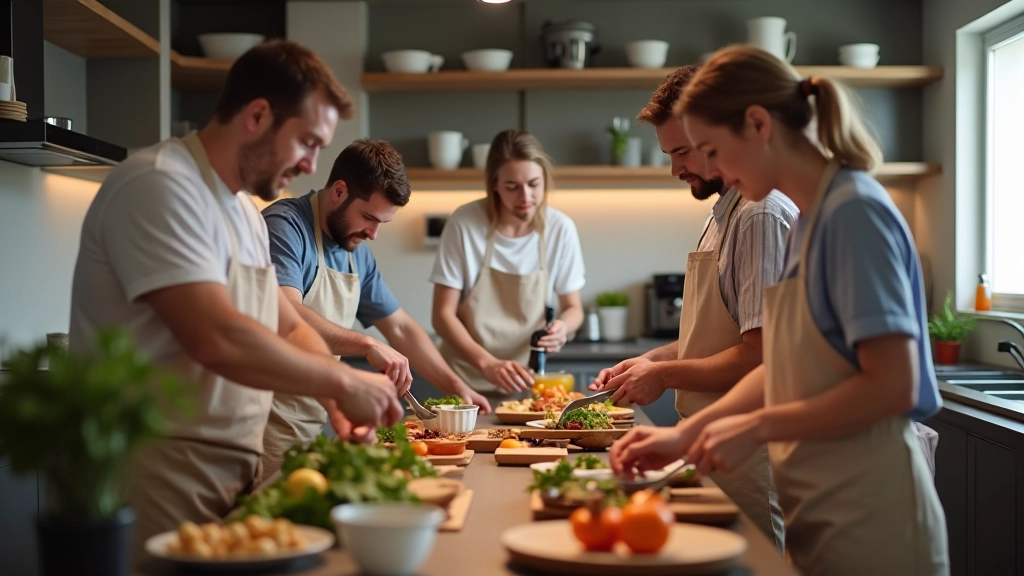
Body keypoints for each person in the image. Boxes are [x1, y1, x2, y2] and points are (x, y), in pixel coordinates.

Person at [611, 45, 948, 575]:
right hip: (820, 499)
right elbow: (781, 366)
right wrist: (684, 435)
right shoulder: (812, 221)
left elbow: (893, 387)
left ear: (758, 124)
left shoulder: (854, 213)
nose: (710, 169)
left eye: (711, 150)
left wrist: (755, 427)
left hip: (870, 503)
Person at [68, 40, 403, 555]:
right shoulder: (162, 186)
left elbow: (288, 327)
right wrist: (341, 376)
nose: (313, 165)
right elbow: (215, 337)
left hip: (232, 466)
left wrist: (334, 399)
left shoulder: (244, 212)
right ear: (258, 115)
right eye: (307, 142)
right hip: (158, 468)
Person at [589, 64, 795, 549]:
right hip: (712, 440)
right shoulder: (724, 213)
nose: (675, 168)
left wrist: (662, 378)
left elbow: (762, 355)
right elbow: (718, 336)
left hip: (749, 450)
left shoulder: (760, 215)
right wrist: (651, 361)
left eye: (682, 151)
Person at [261, 139, 492, 476]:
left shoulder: (356, 251)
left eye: (382, 223)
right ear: (339, 191)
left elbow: (400, 328)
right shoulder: (285, 226)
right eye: (369, 217)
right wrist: (367, 343)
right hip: (263, 426)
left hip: (312, 424)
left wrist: (458, 388)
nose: (373, 234)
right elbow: (286, 311)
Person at [430, 129, 585, 401]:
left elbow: (574, 309)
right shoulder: (464, 224)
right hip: (463, 382)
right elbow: (442, 316)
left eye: (534, 184)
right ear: (494, 184)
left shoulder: (560, 228)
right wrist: (487, 363)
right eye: (512, 187)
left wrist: (563, 327)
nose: (525, 196)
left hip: (525, 382)